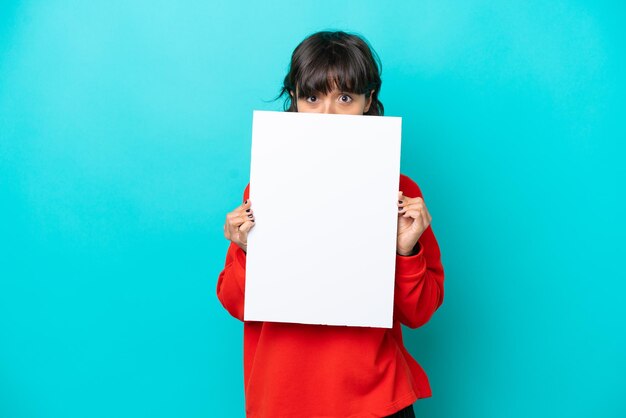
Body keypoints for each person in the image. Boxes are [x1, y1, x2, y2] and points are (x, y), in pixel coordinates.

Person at [217, 30, 445, 418]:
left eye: (344, 98)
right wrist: (246, 250)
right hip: (283, 399)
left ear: (368, 100)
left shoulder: (400, 191)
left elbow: (420, 312)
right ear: (294, 99)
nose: (327, 115)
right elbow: (235, 302)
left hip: (376, 399)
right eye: (311, 98)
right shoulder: (265, 185)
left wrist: (405, 250)